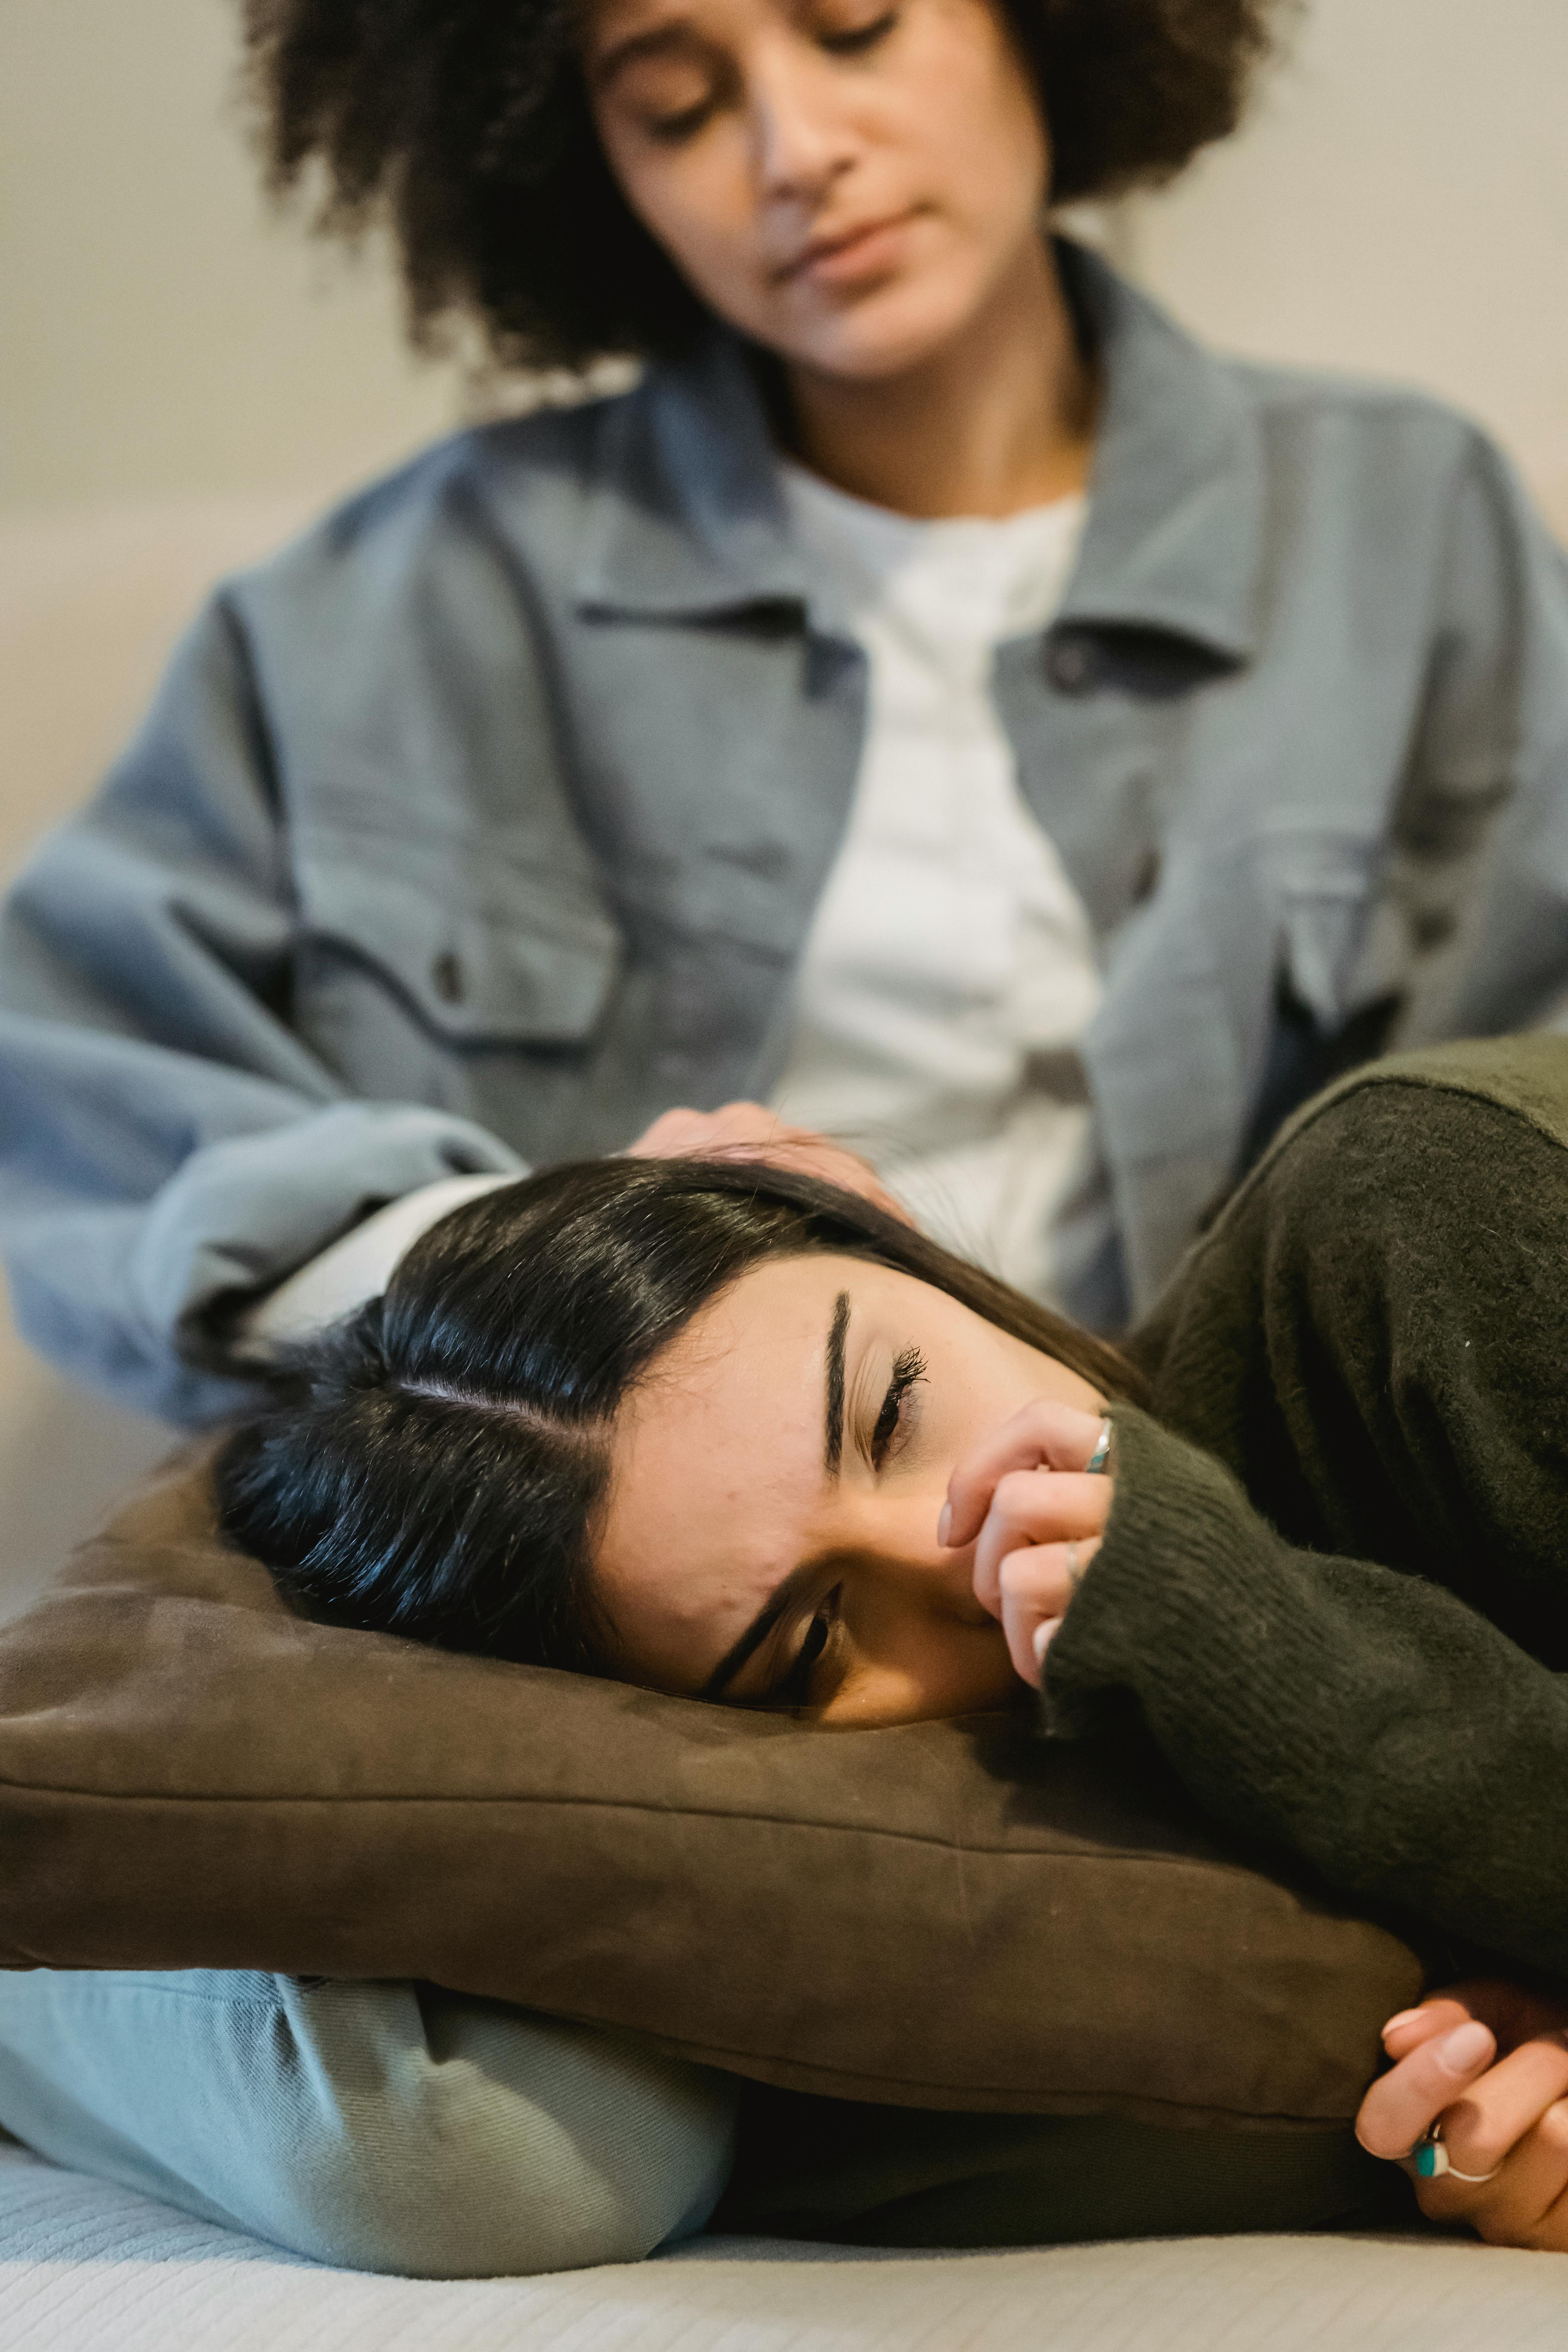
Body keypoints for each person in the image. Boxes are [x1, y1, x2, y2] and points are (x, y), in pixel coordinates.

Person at [5, 0, 1568, 1431]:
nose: (795, 151)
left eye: (855, 25)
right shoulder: (401, 607)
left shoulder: (1399, 525)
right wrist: (521, 1271)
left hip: (1235, 1544)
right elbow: (66, 1089)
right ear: (574, 155)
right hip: (590, 1621)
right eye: (677, 105)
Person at [207, 1033, 1568, 2253]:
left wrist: (1257, 1646)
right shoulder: (1017, 1923)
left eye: (898, 1407)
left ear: (877, 1230)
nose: (964, 1552)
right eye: (814, 1645)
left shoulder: (1425, 1215)